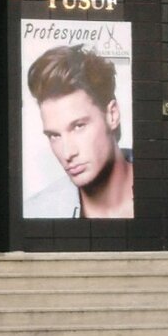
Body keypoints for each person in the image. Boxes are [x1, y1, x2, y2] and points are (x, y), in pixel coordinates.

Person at [26, 45, 133, 219]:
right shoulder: (37, 212)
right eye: (54, 135)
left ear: (112, 115)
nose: (67, 153)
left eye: (78, 126)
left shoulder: (165, 190)